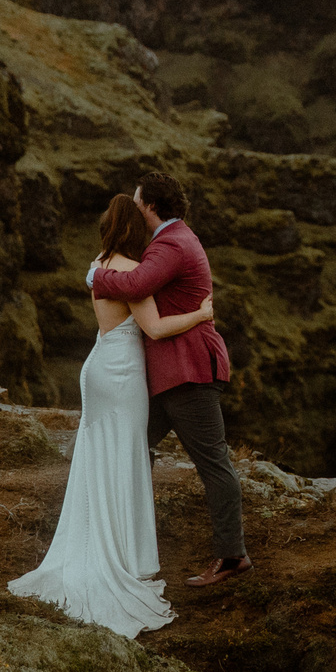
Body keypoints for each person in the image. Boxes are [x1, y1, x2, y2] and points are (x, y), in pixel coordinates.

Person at [7, 194, 215, 635]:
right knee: (123, 457)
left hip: (100, 365)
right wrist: (199, 314)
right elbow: (155, 327)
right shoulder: (126, 270)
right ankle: (120, 557)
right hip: (121, 376)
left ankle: (94, 543)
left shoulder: (99, 262)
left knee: (99, 457)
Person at [89, 170, 250, 587]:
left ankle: (232, 556)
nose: (137, 209)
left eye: (140, 201)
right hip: (170, 375)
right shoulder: (175, 240)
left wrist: (94, 275)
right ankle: (124, 539)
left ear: (152, 205)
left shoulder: (172, 244)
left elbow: (138, 283)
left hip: (187, 373)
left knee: (213, 462)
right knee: (132, 445)